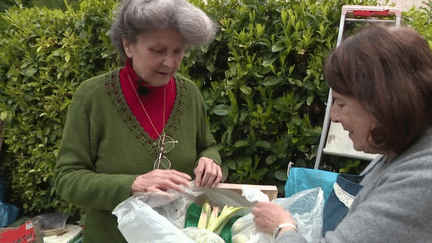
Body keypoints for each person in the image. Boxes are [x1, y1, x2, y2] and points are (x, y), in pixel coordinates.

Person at [54, 0, 222, 242]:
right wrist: (132, 184)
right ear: (127, 45)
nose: (170, 63)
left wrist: (210, 159)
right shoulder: (93, 97)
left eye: (178, 51)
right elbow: (67, 178)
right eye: (158, 50)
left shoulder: (190, 93)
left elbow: (207, 145)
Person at [252, 24, 432, 242]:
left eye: (340, 103)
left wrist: (282, 227)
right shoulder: (401, 150)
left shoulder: (419, 182)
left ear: (381, 102)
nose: (333, 116)